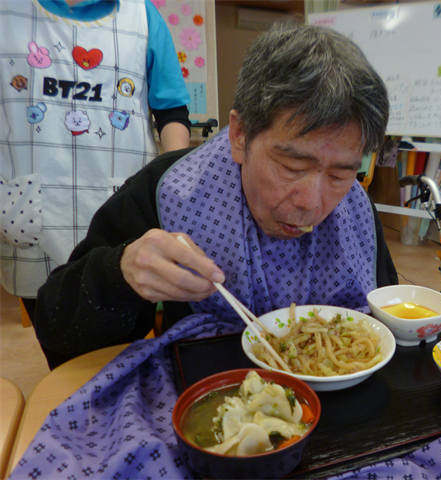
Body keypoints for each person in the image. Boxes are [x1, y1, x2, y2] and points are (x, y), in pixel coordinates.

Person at [33, 22, 398, 368]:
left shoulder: (354, 205)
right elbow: (59, 329)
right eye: (292, 167)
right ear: (240, 136)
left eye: (340, 173)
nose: (312, 203)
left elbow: (388, 315)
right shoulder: (167, 190)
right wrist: (120, 273)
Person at [0, 0, 191, 318]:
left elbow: (171, 110)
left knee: (124, 327)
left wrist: (176, 194)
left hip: (121, 213)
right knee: (56, 327)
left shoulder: (143, 16)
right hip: (31, 212)